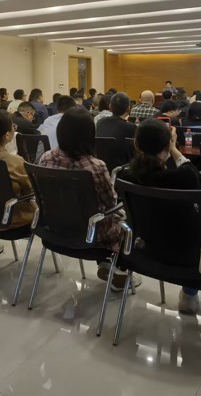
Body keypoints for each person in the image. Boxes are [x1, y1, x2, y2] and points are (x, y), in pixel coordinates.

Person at [117, 119, 201, 314]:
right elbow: (195, 176)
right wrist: (174, 149)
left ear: (136, 144)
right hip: (190, 258)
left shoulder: (125, 177)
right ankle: (190, 293)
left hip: (145, 251)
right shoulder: (183, 178)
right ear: (167, 145)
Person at [38, 109, 137, 292]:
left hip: (55, 227)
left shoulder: (45, 158)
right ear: (89, 135)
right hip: (90, 234)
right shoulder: (95, 166)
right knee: (127, 220)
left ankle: (108, 264)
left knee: (95, 215)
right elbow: (111, 202)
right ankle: (118, 269)